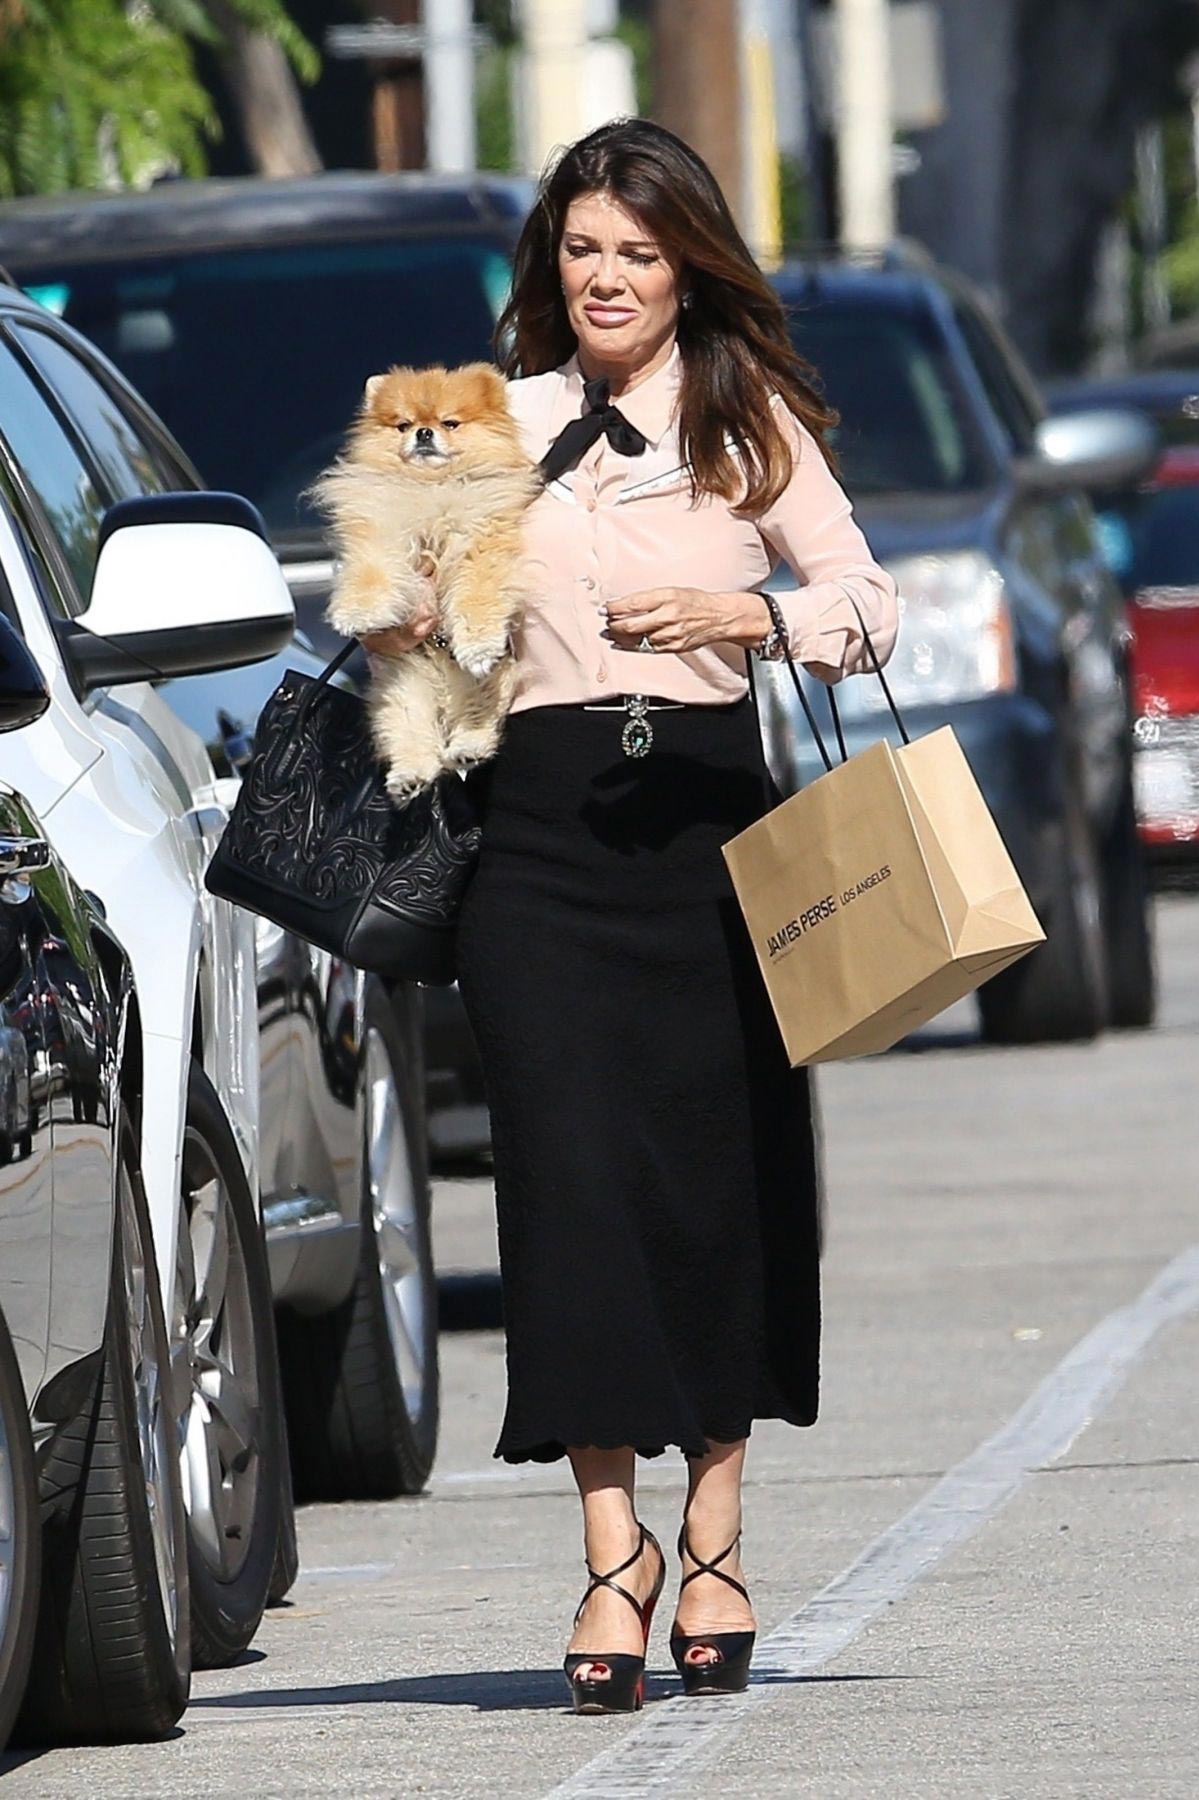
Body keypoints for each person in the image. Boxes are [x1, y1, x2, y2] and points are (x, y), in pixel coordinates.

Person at [360, 118, 899, 1714]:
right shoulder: (485, 424)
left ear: (688, 272)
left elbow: (870, 610)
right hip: (537, 852)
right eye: (585, 249)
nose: (608, 277)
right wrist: (400, 596)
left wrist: (752, 613)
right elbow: (404, 648)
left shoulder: (754, 429)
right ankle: (613, 1551)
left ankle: (717, 1525)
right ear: (555, 263)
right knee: (572, 1196)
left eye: (640, 255)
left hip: (715, 844)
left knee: (719, 1187)